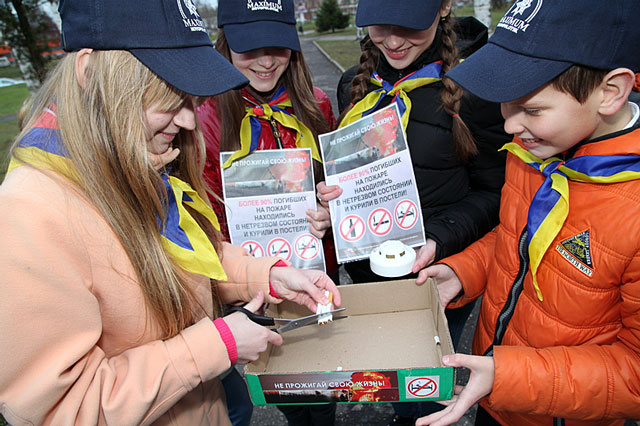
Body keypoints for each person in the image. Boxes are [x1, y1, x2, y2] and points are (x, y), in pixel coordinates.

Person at [0, 0, 342, 425]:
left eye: (190, 98)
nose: (186, 120)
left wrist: (266, 275)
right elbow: (65, 408)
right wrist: (215, 345)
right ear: (90, 74)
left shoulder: (132, 160)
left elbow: (185, 259)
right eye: (167, 97)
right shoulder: (30, 214)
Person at [413, 1, 640, 425]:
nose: (511, 126)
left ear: (611, 92)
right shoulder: (532, 151)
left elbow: (635, 375)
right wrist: (464, 270)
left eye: (531, 109)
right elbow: (516, 237)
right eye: (504, 103)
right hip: (495, 391)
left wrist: (510, 376)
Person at [310, 1, 510, 423]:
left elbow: (497, 193)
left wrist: (438, 237)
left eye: (410, 27)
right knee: (394, 377)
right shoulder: (355, 84)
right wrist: (330, 206)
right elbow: (348, 175)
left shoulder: (475, 90)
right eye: (381, 27)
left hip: (439, 276)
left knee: (425, 387)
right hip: (368, 275)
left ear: (443, 8)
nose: (395, 41)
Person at [196, 1, 338, 425]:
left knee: (324, 379)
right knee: (284, 383)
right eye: (248, 48)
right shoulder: (203, 117)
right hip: (251, 283)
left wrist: (329, 209)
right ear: (225, 45)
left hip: (314, 270)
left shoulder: (315, 104)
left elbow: (331, 183)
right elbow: (204, 219)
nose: (265, 60)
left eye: (277, 46)